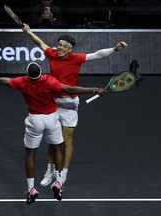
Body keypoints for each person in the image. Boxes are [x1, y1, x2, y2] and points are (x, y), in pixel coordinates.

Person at [0, 62, 106, 204]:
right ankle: (58, 182)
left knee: (30, 154)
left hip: (34, 120)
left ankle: (31, 189)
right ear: (41, 73)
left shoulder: (21, 82)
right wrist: (94, 89)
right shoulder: (49, 81)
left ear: (28, 75)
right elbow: (70, 88)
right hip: (51, 119)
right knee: (58, 148)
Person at [22, 23, 127, 187]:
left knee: (67, 139)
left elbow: (97, 55)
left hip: (70, 103)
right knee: (52, 139)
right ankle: (50, 171)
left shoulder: (76, 58)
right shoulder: (51, 53)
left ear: (70, 49)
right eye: (60, 45)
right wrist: (29, 32)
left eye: (64, 46)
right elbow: (40, 43)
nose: (61, 48)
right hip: (53, 101)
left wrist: (115, 49)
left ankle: (62, 174)